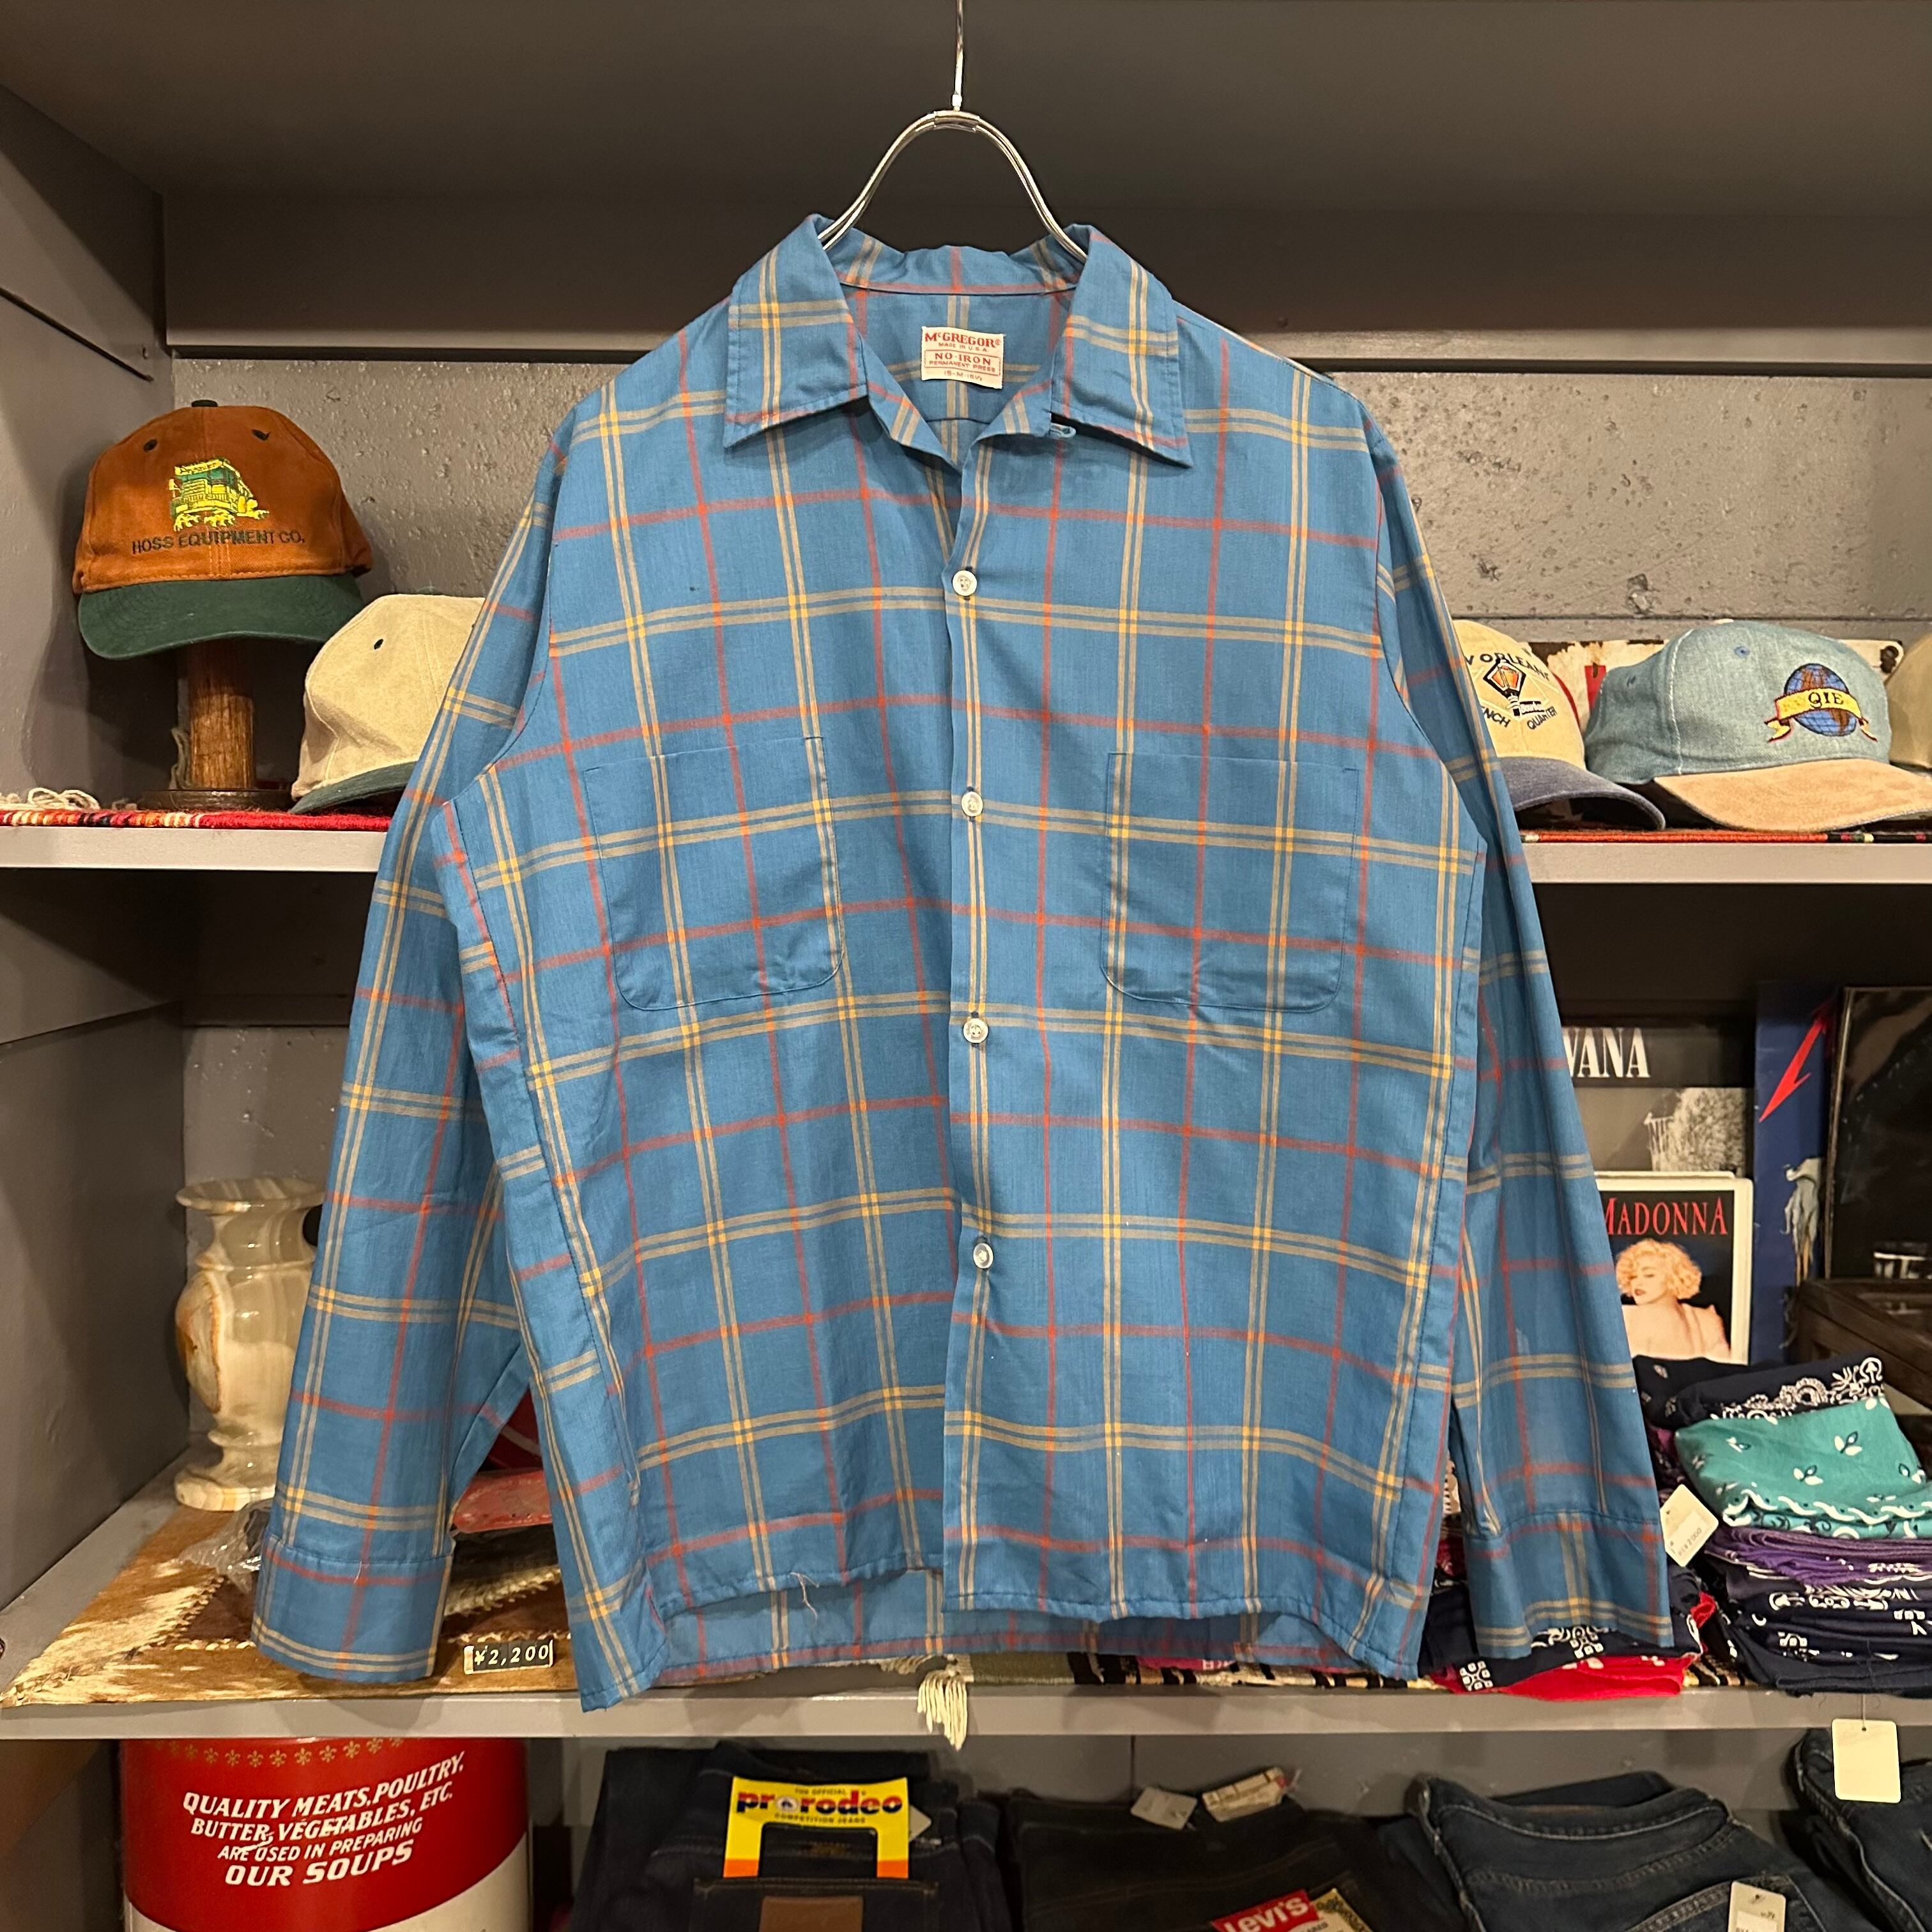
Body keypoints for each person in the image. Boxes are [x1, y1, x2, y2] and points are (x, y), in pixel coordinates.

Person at [1617, 1238, 1728, 1358]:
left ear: (1674, 1277)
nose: (1638, 1283)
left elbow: (1724, 1364)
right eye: (1633, 1277)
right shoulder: (1624, 1317)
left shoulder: (1706, 1321)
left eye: (1649, 1275)